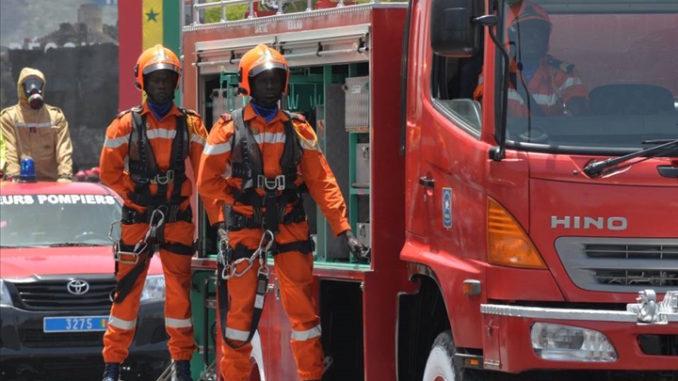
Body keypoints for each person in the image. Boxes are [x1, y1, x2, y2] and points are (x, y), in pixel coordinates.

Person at [197, 43, 367, 381]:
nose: (270, 85)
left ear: (284, 83)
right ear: (248, 83)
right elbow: (207, 180)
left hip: (289, 225)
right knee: (239, 319)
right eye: (263, 80)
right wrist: (238, 202)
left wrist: (344, 229)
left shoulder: (299, 128)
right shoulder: (228, 129)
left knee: (304, 315)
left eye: (275, 79)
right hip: (245, 228)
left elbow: (323, 181)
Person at [99, 44, 221, 381]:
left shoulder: (192, 125)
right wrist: (135, 195)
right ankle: (112, 367)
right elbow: (108, 173)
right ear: (142, 82)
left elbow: (207, 179)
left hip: (178, 220)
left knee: (179, 296)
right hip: (138, 221)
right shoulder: (124, 125)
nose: (162, 85)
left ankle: (182, 366)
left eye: (167, 79)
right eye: (156, 79)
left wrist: (221, 225)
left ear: (176, 82)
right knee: (126, 295)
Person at [475, 0, 588, 116]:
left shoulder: (564, 74)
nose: (534, 38)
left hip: (551, 134)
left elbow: (577, 118)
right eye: (525, 31)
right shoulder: (494, 71)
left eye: (539, 31)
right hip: (507, 135)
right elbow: (484, 111)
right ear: (510, 36)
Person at [0, 67, 73, 181]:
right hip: (19, 182)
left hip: (50, 183)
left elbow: (64, 149)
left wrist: (65, 176)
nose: (33, 87)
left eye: (37, 83)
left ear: (42, 87)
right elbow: (9, 150)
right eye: (28, 83)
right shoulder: (9, 117)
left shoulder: (55, 116)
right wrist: (13, 176)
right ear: (21, 88)